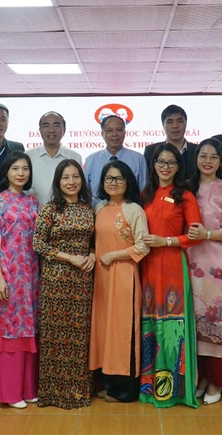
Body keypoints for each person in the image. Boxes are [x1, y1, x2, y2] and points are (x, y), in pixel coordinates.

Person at [139, 144, 202, 408]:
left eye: (171, 163)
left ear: (178, 167)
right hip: (148, 267)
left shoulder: (185, 195)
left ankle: (173, 391)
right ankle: (149, 387)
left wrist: (165, 241)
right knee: (150, 325)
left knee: (172, 327)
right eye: (160, 162)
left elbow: (195, 235)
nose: (165, 167)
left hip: (173, 266)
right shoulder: (146, 194)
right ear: (153, 165)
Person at [0, 151, 40, 409]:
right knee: (10, 331)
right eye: (15, 168)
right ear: (6, 172)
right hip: (9, 276)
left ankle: (28, 389)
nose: (21, 173)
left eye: (25, 168)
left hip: (32, 276)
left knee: (29, 329)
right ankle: (10, 393)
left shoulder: (33, 202)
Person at [33, 159, 96, 409]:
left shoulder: (88, 209)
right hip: (55, 280)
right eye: (65, 177)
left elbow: (94, 242)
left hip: (82, 281)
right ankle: (52, 393)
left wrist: (92, 255)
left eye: (75, 176)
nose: (71, 182)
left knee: (79, 336)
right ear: (58, 182)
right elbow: (38, 243)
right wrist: (69, 257)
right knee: (54, 336)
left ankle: (78, 391)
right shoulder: (50, 209)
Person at [186, 138, 222, 405]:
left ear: (221, 161)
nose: (207, 161)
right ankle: (202, 377)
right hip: (189, 260)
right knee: (194, 319)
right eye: (203, 155)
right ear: (196, 158)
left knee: (216, 317)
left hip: (216, 264)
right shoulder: (187, 187)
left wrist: (207, 234)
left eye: (213, 157)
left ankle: (217, 381)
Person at [89, 160, 150, 403]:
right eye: (108, 178)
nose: (113, 183)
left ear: (128, 182)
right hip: (101, 278)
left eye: (118, 178)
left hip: (124, 275)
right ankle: (108, 382)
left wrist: (114, 256)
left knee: (123, 329)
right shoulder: (99, 208)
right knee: (104, 329)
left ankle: (125, 390)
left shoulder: (134, 209)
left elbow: (143, 245)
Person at [84, 115, 148, 207]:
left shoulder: (138, 159)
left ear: (124, 132)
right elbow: (85, 193)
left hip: (129, 211)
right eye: (109, 130)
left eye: (119, 130)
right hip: (97, 212)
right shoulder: (91, 160)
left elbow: (144, 193)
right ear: (102, 134)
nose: (115, 134)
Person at [26, 112, 83, 207]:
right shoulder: (28, 156)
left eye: (56, 126)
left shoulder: (75, 157)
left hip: (68, 214)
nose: (51, 130)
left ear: (64, 130)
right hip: (34, 213)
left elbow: (80, 190)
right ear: (40, 130)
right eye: (46, 126)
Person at [143, 105, 199, 182]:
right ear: (163, 125)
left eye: (180, 121)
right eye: (169, 122)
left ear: (186, 123)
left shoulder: (198, 150)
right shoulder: (151, 151)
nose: (175, 126)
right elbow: (149, 180)